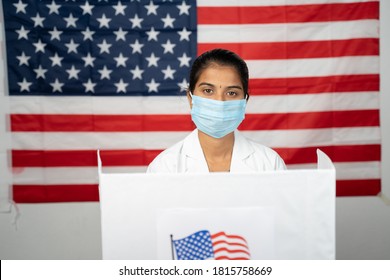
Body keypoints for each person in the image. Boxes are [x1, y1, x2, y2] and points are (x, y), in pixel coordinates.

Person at [147, 48, 286, 173]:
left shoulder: (269, 164)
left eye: (231, 93)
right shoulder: (165, 167)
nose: (220, 101)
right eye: (208, 91)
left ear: (244, 101)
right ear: (191, 99)